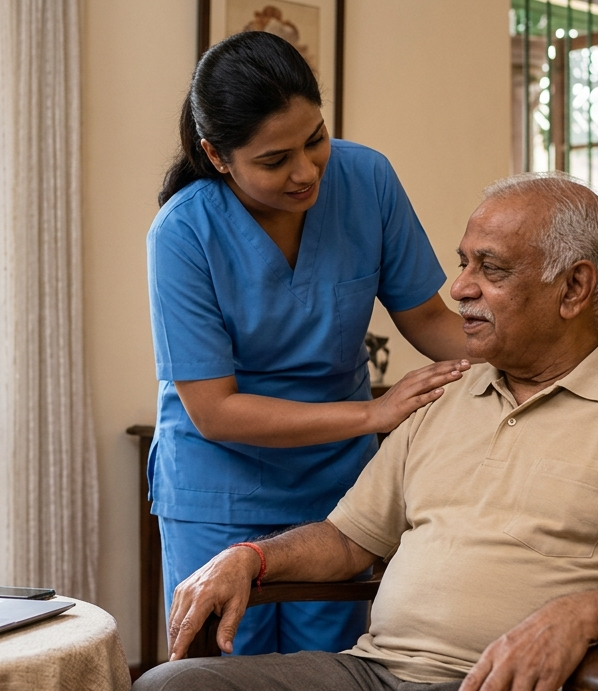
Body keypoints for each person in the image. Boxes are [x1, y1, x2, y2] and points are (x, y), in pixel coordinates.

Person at [137, 173, 598, 691]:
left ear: (575, 287)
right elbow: (350, 539)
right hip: (371, 672)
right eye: (464, 262)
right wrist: (251, 557)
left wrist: (583, 616)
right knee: (174, 686)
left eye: (490, 269)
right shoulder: (447, 390)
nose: (459, 288)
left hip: (506, 681)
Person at [147, 30, 470, 656]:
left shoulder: (368, 179)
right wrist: (373, 414)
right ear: (218, 156)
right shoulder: (183, 233)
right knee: (226, 670)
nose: (305, 172)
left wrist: (537, 343)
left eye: (315, 140)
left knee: (323, 667)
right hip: (220, 486)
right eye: (274, 160)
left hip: (334, 489)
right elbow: (214, 410)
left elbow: (428, 318)